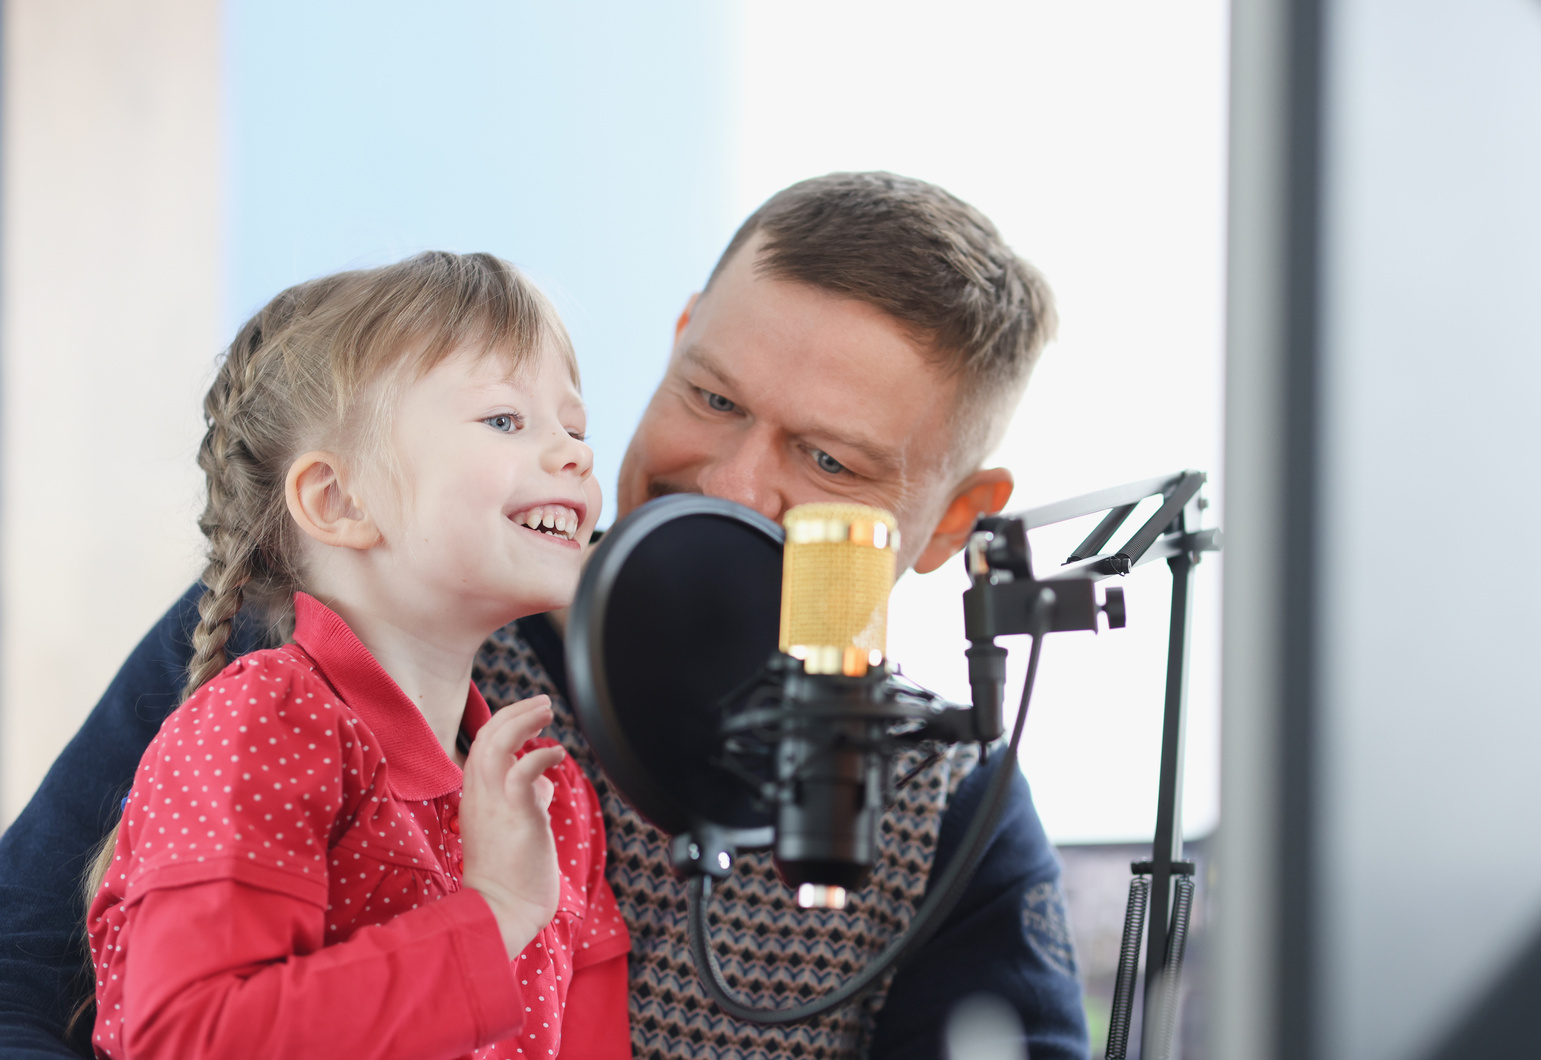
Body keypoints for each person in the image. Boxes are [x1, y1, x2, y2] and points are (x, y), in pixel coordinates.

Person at [0, 173, 1090, 1059]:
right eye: (709, 398)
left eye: (827, 459)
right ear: (676, 342)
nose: (728, 484)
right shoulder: (327, 621)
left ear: (952, 523)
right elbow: (22, 980)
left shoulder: (952, 810)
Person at [81, 252, 631, 1059]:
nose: (576, 456)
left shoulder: (556, 801)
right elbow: (190, 1036)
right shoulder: (261, 721)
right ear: (337, 501)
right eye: (506, 420)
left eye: (575, 428)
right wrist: (495, 913)